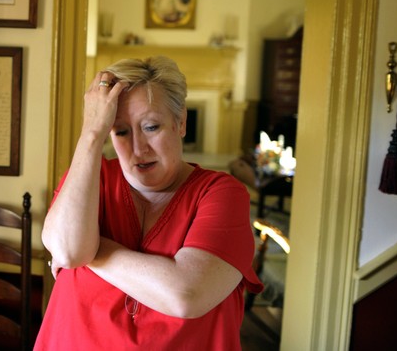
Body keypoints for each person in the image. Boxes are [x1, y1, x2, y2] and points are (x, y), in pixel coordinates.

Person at [35, 56, 262, 350]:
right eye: (120, 131)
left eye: (151, 127)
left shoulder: (221, 193)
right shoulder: (90, 178)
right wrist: (91, 132)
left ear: (181, 122)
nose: (139, 148)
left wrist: (91, 250)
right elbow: (68, 251)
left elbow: (186, 295)